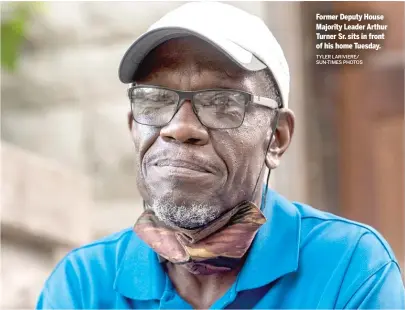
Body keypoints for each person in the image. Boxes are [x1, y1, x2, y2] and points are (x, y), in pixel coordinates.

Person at [36, 2, 405, 309]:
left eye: (222, 102)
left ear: (276, 138)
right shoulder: (84, 283)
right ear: (134, 126)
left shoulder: (348, 266)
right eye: (156, 99)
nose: (179, 128)